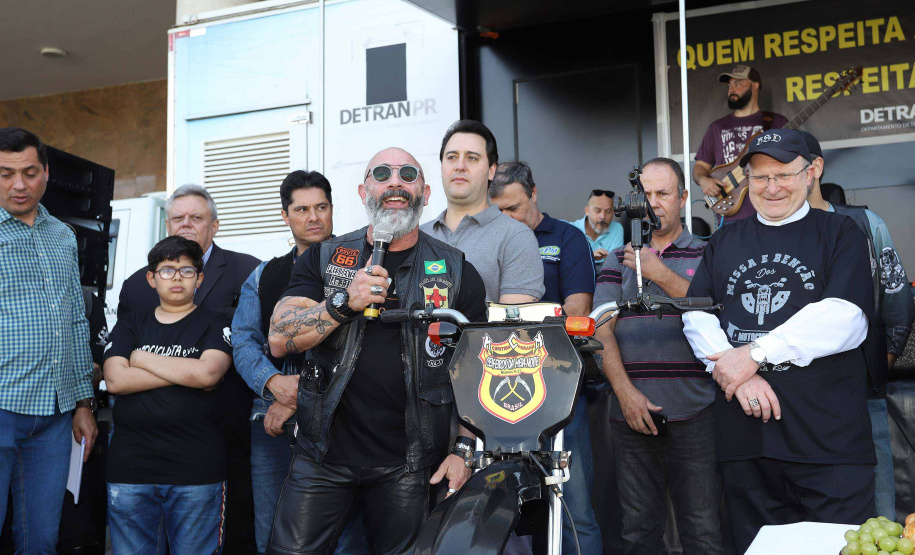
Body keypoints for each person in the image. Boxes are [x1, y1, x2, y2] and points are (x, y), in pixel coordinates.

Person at [266, 147, 487, 554]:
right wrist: (342, 302)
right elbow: (280, 338)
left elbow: (474, 370)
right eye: (382, 174)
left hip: (411, 462)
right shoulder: (326, 256)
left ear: (425, 191)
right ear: (363, 190)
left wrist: (462, 450)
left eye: (408, 174)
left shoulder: (457, 270)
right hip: (322, 455)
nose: (395, 183)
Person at [682, 129, 876, 552]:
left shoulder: (841, 233)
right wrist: (737, 374)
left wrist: (754, 354)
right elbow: (697, 313)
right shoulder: (725, 241)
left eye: (783, 175)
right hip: (746, 443)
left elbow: (846, 318)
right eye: (759, 178)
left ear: (813, 172)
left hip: (828, 445)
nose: (771, 188)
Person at [116, 184, 260, 553]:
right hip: (141, 454)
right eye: (178, 218)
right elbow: (115, 369)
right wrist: (189, 368)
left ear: (214, 224)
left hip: (222, 431)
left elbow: (241, 353)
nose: (186, 225)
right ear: (167, 224)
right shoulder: (136, 284)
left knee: (231, 533)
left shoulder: (248, 271)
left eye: (196, 218)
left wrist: (141, 357)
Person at [233, 170, 366, 555]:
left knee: (345, 540)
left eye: (321, 207)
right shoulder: (264, 275)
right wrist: (273, 384)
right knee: (273, 534)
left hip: (344, 422)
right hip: (272, 423)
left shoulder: (360, 269)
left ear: (332, 210)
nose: (313, 217)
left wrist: (297, 397)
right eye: (302, 209)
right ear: (285, 216)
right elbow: (244, 341)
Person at [593, 158, 722, 554]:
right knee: (639, 533)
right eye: (644, 195)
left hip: (697, 411)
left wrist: (656, 271)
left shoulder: (708, 252)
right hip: (630, 414)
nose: (652, 204)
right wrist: (625, 394)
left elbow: (716, 310)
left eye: (662, 194)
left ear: (683, 198)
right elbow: (599, 328)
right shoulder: (615, 260)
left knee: (702, 531)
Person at [489, 161, 601, 555]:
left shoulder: (568, 238)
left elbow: (578, 313)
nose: (506, 219)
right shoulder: (488, 239)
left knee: (573, 506)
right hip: (491, 394)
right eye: (497, 211)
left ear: (534, 194)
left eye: (514, 208)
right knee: (499, 511)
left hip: (558, 393)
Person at [801, 130, 914, 521]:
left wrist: (881, 357)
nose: (775, 181)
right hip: (792, 396)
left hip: (862, 391)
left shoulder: (864, 223)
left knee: (877, 504)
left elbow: (898, 297)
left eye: (784, 169)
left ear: (813, 169)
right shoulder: (761, 232)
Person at [0, 127, 98, 554]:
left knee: (42, 541)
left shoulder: (63, 236)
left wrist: (83, 403)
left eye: (29, 172)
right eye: (4, 174)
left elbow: (76, 322)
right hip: (2, 406)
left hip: (55, 418)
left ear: (46, 173)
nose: (18, 185)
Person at [103, 236, 234, 554]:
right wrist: (183, 372)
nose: (177, 277)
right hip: (130, 472)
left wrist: (141, 358)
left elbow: (207, 374)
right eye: (167, 270)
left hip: (196, 474)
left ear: (200, 279)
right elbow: (116, 380)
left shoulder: (219, 322)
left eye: (187, 270)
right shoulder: (131, 323)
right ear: (151, 278)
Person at [421, 120, 544, 303]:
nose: (460, 166)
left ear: (491, 171)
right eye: (452, 157)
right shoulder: (418, 236)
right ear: (442, 167)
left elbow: (512, 328)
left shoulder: (516, 237)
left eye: (472, 158)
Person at [693, 65, 789, 224]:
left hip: (772, 213)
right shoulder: (717, 127)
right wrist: (703, 180)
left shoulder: (777, 123)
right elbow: (700, 167)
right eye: (729, 85)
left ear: (755, 85)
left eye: (738, 84)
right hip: (731, 218)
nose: (731, 89)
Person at [567, 189, 624, 271]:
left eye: (608, 211)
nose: (603, 216)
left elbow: (616, 264)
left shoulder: (616, 229)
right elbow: (566, 264)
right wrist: (589, 256)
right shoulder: (571, 229)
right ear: (587, 210)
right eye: (597, 211)